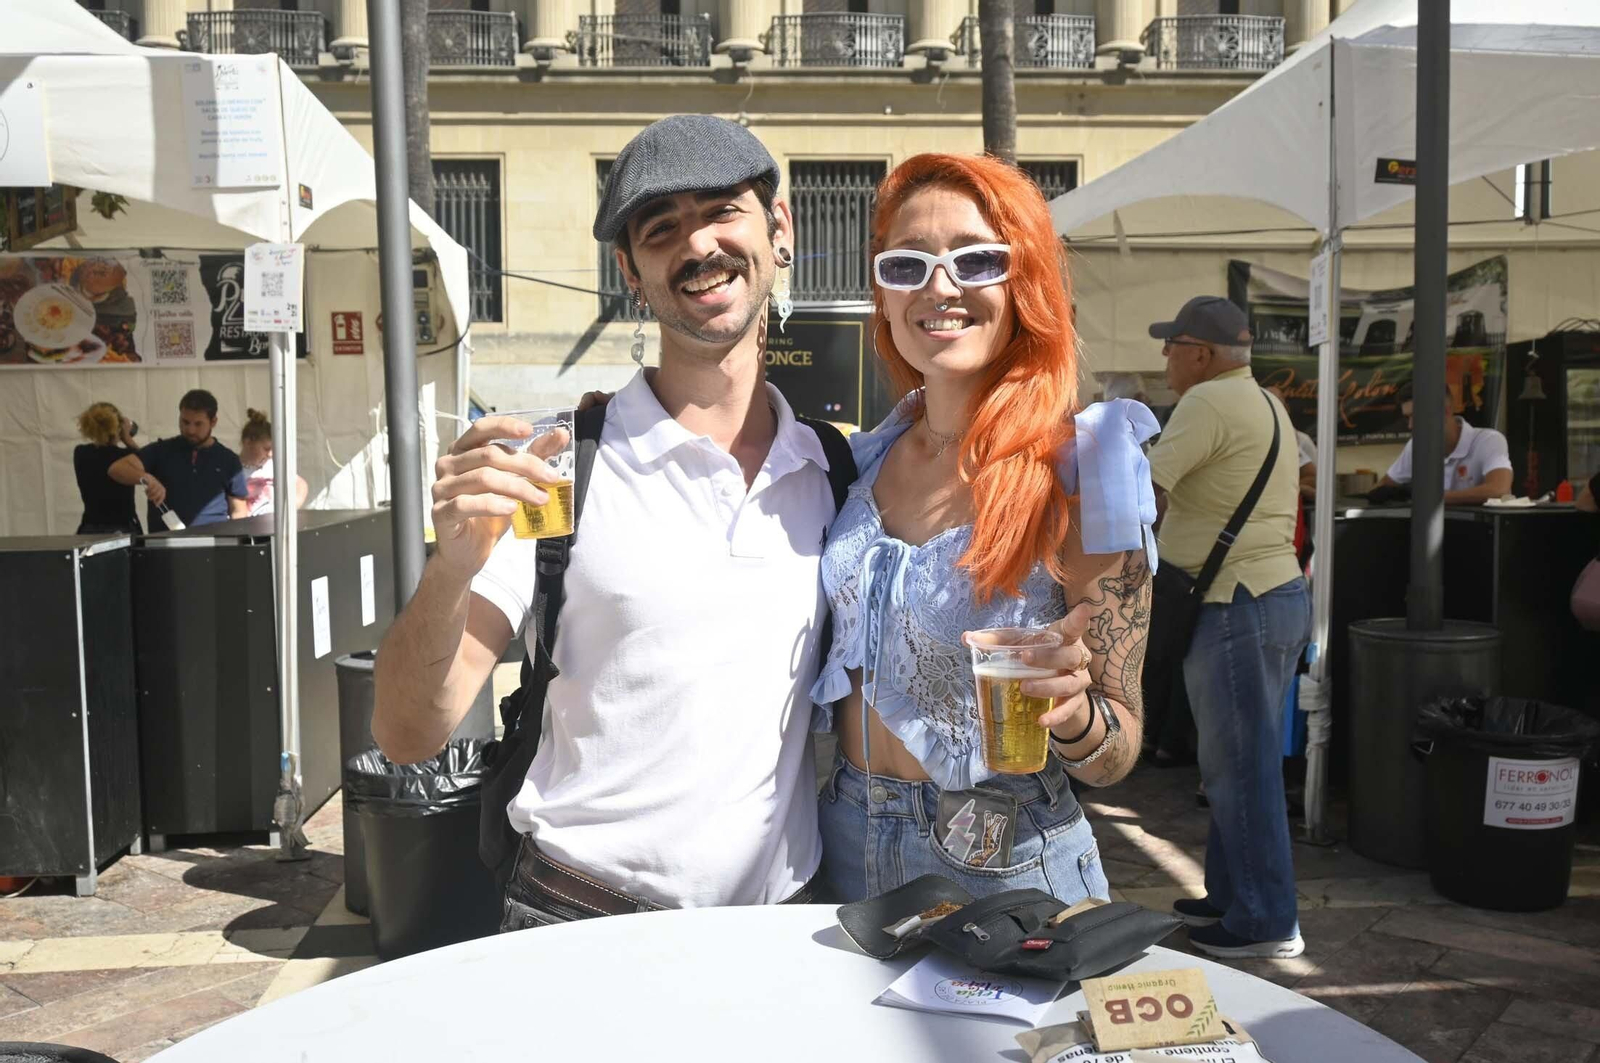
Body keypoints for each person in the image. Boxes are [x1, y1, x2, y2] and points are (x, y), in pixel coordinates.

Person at [371, 115, 844, 924]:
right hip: (575, 919)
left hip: (778, 926)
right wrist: (449, 568)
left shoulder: (831, 469)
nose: (698, 247)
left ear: (779, 227)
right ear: (631, 270)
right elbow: (410, 733)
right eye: (662, 230)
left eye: (723, 210)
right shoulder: (559, 467)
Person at [812, 153, 1156, 904]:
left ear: (1022, 280)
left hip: (998, 851)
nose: (940, 286)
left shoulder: (1081, 466)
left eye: (975, 259)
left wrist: (1070, 715)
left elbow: (1117, 749)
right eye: (907, 265)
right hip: (841, 829)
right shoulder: (863, 459)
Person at [1144, 295, 1310, 959]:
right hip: (1277, 595)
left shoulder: (1206, 403)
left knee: (1240, 771)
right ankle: (1229, 893)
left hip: (1235, 600)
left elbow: (1142, 486)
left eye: (1172, 343)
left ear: (1203, 354)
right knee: (1241, 761)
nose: (1164, 356)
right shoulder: (1267, 400)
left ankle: (1267, 918)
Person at [110, 390, 248, 530]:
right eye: (185, 422)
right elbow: (117, 468)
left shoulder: (229, 460)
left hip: (214, 545)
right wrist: (145, 477)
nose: (190, 430)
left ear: (213, 422)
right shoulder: (161, 450)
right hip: (165, 545)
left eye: (198, 424)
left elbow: (239, 511)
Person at [1374, 389, 1513, 505]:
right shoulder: (1417, 444)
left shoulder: (1488, 440)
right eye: (1407, 418)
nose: (1410, 426)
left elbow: (1499, 490)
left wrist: (1430, 498)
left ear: (1445, 411)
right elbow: (1383, 486)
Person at [73, 402, 142, 534]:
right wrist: (127, 438)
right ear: (118, 427)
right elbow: (147, 464)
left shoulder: (80, 453)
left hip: (90, 528)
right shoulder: (126, 456)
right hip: (123, 529)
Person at [240, 408, 309, 516]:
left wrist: (292, 507)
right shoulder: (234, 469)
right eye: (266, 449)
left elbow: (300, 484)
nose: (271, 454)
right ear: (248, 442)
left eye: (273, 449)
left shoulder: (272, 465)